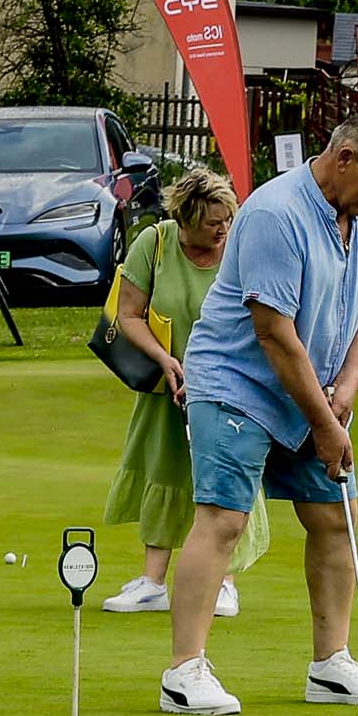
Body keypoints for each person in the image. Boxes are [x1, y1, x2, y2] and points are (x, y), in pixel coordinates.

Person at [159, 109, 358, 716]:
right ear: (344, 158)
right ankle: (183, 673)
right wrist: (326, 426)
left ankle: (330, 665)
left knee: (335, 515)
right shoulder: (277, 213)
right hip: (237, 383)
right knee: (223, 519)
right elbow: (272, 333)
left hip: (314, 389)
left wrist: (346, 390)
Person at [100, 169, 267, 618]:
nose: (223, 229)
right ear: (186, 219)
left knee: (225, 475)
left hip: (230, 384)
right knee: (164, 469)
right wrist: (165, 359)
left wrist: (208, 373)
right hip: (165, 384)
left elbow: (259, 318)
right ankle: (152, 582)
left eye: (228, 219)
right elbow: (128, 314)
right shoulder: (154, 244)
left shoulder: (240, 247)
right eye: (213, 222)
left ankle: (224, 582)